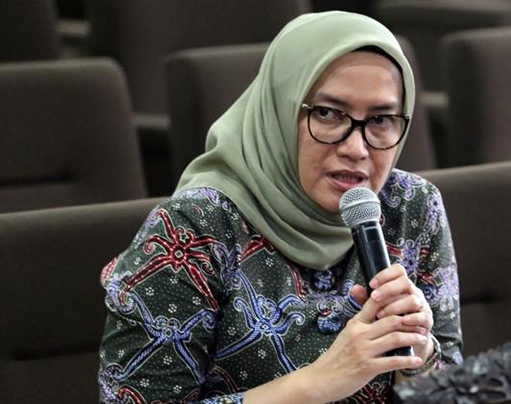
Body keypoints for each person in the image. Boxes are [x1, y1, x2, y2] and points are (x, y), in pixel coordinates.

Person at [98, 11, 462, 403]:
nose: (356, 148)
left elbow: (458, 390)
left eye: (381, 120)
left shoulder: (410, 207)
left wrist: (420, 362)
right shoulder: (192, 229)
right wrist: (314, 384)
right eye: (328, 114)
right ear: (281, 111)